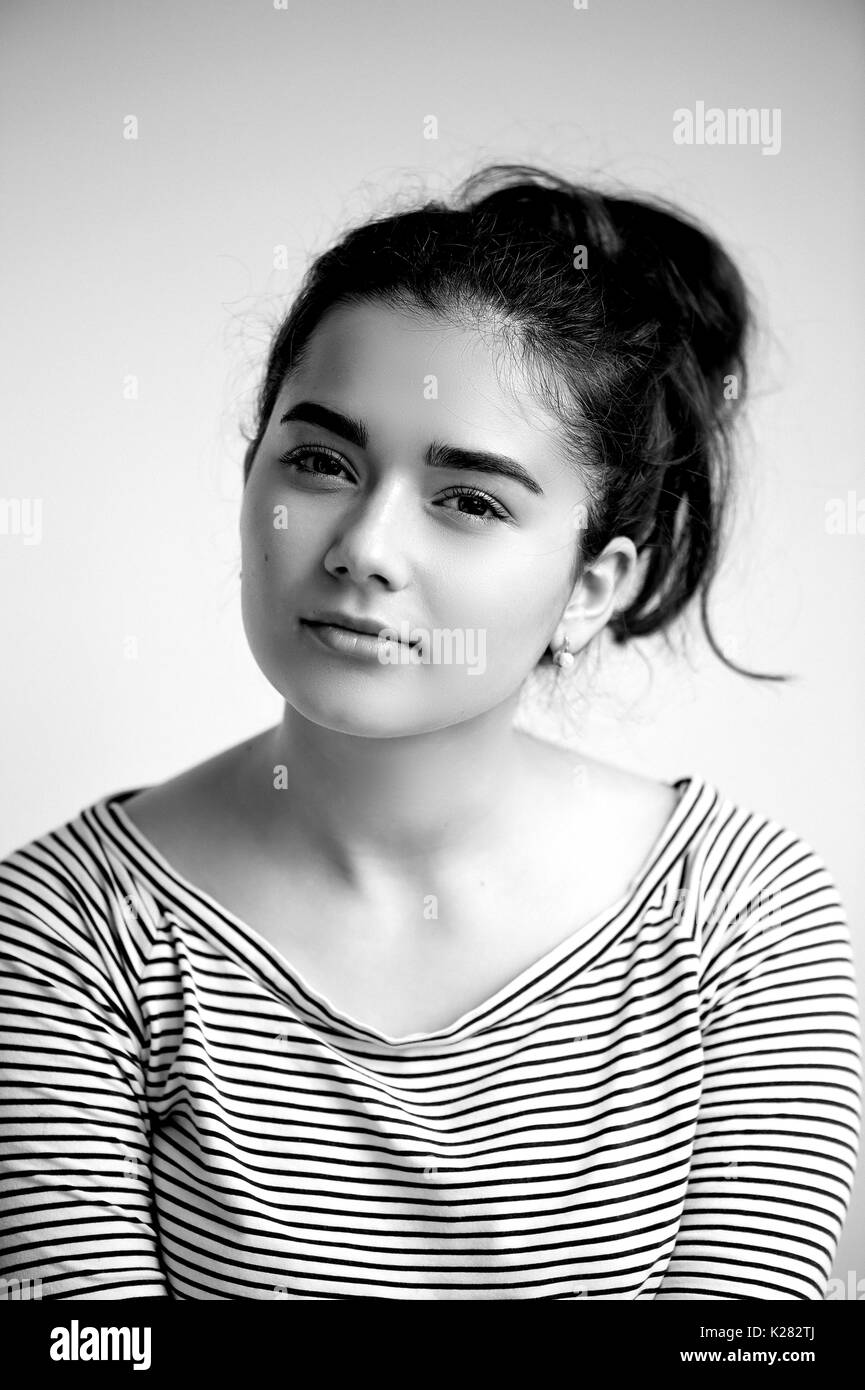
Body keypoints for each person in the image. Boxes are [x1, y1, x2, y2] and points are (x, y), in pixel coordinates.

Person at [0, 164, 860, 1301]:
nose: (362, 544)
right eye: (320, 461)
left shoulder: (744, 920)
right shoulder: (65, 933)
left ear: (594, 584)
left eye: (470, 499)